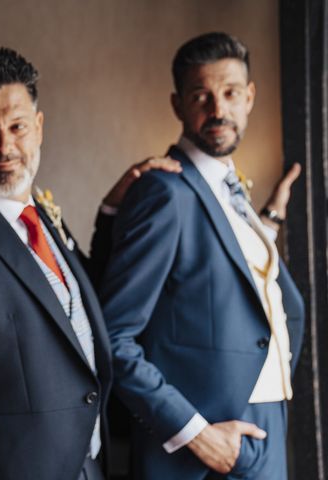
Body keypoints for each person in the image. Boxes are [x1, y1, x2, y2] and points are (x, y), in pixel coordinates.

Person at [0, 46, 183, 480]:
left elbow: (77, 311)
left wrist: (116, 211)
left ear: (38, 127)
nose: (5, 146)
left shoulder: (43, 217)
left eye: (17, 126)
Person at [97, 32, 305, 479]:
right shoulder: (164, 192)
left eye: (230, 93)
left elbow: (225, 277)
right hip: (205, 448)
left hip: (267, 423)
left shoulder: (231, 191)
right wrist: (196, 434)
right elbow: (115, 337)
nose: (218, 110)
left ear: (249, 97)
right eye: (201, 95)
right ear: (177, 105)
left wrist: (268, 220)